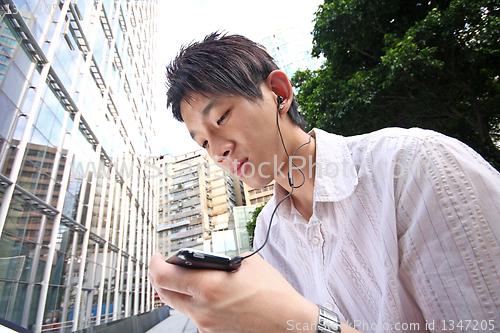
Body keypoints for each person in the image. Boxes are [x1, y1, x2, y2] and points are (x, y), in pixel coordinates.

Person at [148, 32, 500, 332]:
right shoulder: (268, 234)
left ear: (279, 93)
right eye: (204, 143)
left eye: (222, 117)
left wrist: (297, 322)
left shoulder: (411, 166)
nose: (218, 152)